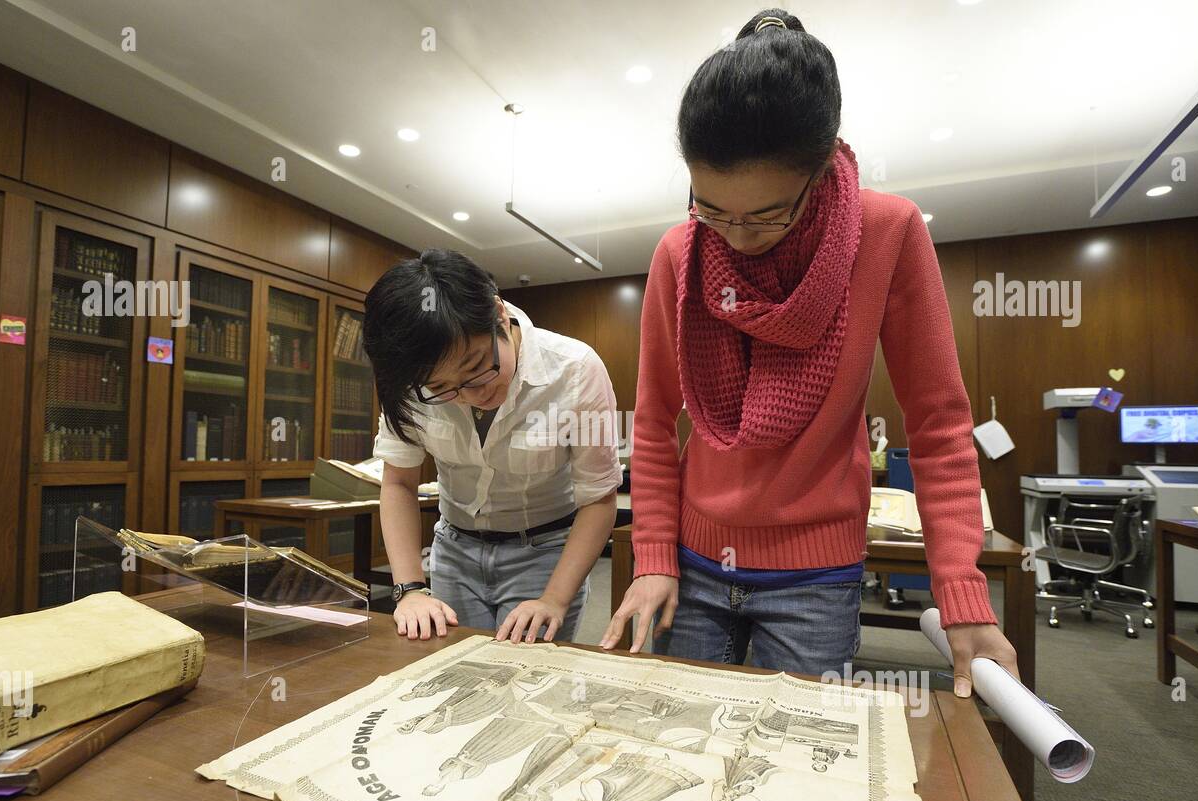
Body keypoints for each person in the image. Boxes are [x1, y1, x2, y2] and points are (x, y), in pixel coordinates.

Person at [600, 9, 1018, 698]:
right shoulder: (681, 252)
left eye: (766, 214)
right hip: (694, 561)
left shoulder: (888, 231)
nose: (734, 237)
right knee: (673, 748)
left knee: (788, 771)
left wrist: (962, 593)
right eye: (710, 208)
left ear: (822, 167)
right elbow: (651, 421)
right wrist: (652, 556)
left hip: (817, 577)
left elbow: (940, 424)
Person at [366, 249, 621, 644]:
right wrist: (410, 589)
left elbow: (599, 498)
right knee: (451, 673)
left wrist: (554, 600)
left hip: (545, 552)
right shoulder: (409, 379)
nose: (469, 395)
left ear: (499, 315)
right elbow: (398, 482)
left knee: (527, 682)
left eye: (476, 369)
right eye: (441, 389)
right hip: (454, 549)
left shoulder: (574, 371)